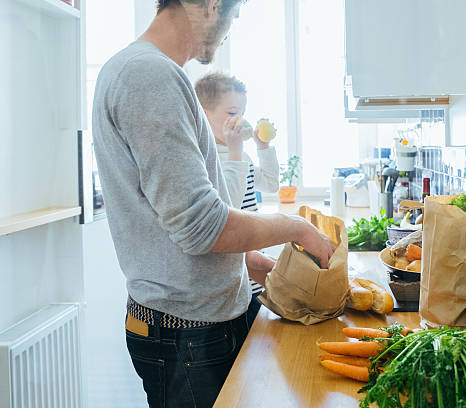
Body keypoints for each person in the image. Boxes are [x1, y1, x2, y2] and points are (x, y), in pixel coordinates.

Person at [91, 1, 336, 407]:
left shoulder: (153, 74)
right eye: (233, 15)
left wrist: (254, 266)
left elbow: (173, 226)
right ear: (209, 5)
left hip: (195, 326)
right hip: (188, 334)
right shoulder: (148, 76)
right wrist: (298, 227)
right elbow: (203, 227)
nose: (230, 29)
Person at [194, 72, 279, 327]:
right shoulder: (207, 159)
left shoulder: (240, 157)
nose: (240, 119)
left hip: (252, 272)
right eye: (232, 113)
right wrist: (235, 150)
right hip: (235, 272)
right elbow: (226, 204)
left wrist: (262, 148)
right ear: (203, 115)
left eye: (242, 112)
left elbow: (271, 184)